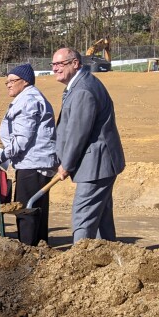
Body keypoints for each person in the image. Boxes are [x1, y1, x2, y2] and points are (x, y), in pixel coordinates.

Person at [51, 47, 125, 242]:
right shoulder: (80, 85)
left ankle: (79, 262)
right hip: (99, 163)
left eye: (60, 64)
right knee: (101, 217)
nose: (55, 68)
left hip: (96, 164)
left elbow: (78, 132)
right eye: (53, 64)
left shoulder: (83, 90)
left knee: (83, 215)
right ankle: (107, 260)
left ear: (75, 63)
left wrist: (66, 164)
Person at [0, 64, 57, 245]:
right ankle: (40, 248)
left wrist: (1, 157)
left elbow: (22, 138)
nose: (8, 84)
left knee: (25, 211)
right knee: (36, 210)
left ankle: (27, 250)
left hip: (32, 163)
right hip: (36, 162)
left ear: (25, 81)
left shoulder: (27, 100)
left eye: (12, 81)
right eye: (7, 81)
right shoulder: (29, 97)